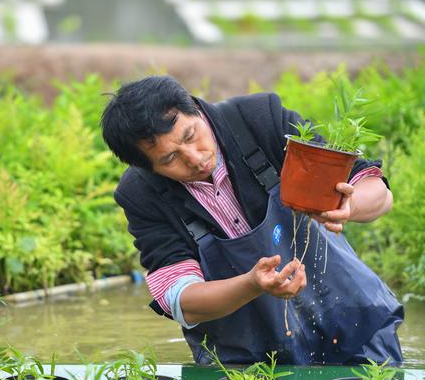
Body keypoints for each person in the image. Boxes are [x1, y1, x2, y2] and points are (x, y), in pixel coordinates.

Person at [100, 75, 403, 365]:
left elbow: (377, 192)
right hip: (249, 363)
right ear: (147, 167)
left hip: (354, 327)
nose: (194, 158)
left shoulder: (260, 118)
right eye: (169, 159)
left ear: (197, 109)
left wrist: (349, 205)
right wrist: (250, 284)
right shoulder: (140, 194)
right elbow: (181, 300)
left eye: (191, 135)